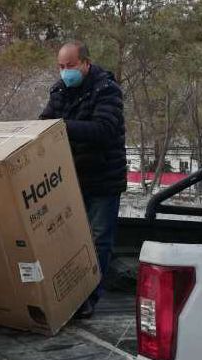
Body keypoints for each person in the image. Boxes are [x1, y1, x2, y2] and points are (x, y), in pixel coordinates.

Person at [40, 41, 126, 318]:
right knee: (71, 240)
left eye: (70, 66)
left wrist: (61, 127)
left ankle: (89, 297)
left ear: (86, 63)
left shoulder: (106, 89)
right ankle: (70, 294)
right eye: (61, 66)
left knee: (98, 239)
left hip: (103, 178)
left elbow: (104, 129)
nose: (65, 71)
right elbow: (44, 122)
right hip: (71, 179)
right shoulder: (59, 91)